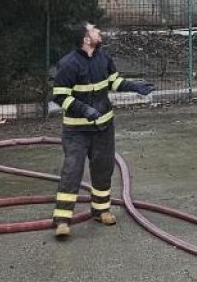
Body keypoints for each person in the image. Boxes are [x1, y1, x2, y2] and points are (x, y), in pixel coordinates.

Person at [51, 21, 154, 239]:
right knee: (72, 171)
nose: (99, 32)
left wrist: (135, 87)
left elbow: (114, 82)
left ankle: (100, 210)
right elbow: (60, 96)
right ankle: (62, 220)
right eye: (94, 30)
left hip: (104, 128)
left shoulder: (103, 58)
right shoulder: (68, 64)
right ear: (86, 39)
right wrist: (83, 109)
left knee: (103, 169)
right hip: (77, 131)